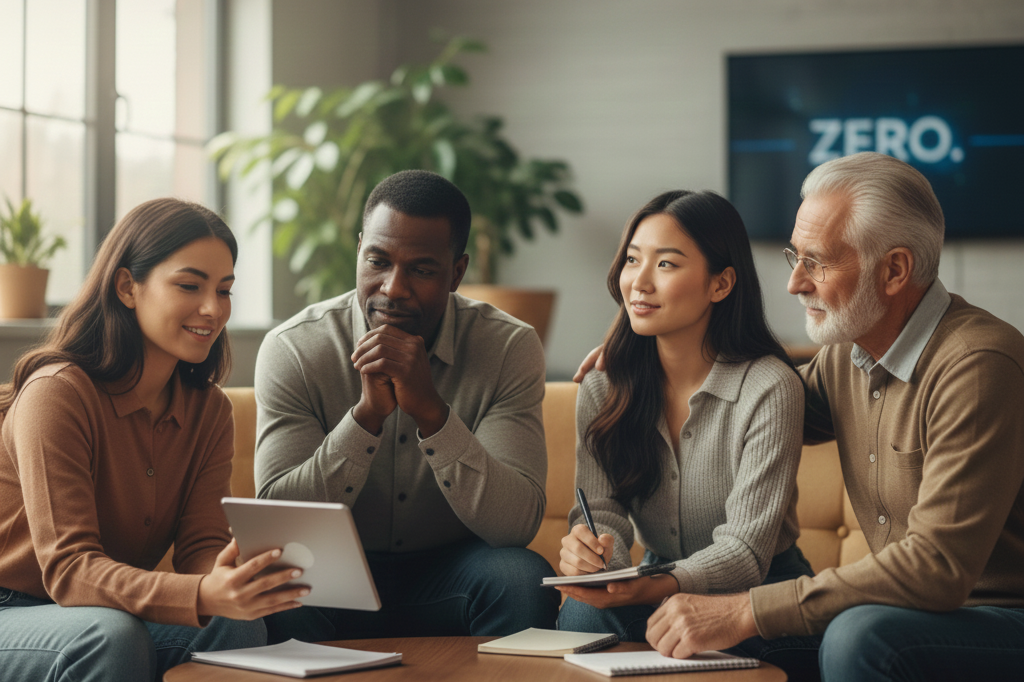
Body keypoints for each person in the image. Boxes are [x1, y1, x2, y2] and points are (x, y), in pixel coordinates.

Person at [579, 153, 1024, 681]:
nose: (794, 283)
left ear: (895, 270)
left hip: (995, 616)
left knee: (859, 635)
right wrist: (645, 357)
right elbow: (753, 402)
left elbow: (938, 568)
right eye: (796, 255)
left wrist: (747, 609)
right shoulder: (847, 357)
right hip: (903, 610)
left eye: (817, 262)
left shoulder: (977, 364)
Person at [0, 198, 306, 682]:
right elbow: (70, 570)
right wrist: (202, 594)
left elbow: (200, 546)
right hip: (13, 608)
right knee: (108, 637)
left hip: (99, 608)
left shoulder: (209, 410)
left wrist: (229, 577)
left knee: (235, 628)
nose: (213, 309)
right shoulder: (57, 394)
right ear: (127, 287)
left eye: (224, 290)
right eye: (189, 285)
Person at [255, 169, 558, 642]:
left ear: (457, 272)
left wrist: (432, 413)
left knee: (520, 578)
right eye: (377, 261)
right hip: (331, 576)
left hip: (453, 570)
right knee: (274, 593)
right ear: (359, 250)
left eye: (421, 269)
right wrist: (366, 418)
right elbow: (277, 524)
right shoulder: (295, 348)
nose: (393, 288)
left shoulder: (507, 347)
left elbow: (514, 524)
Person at [556, 190, 814, 649]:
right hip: (652, 583)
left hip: (757, 598)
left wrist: (650, 587)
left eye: (667, 264)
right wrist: (594, 557)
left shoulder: (769, 388)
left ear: (721, 284)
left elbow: (745, 553)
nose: (639, 282)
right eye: (633, 260)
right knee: (581, 612)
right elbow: (604, 514)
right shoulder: (602, 386)